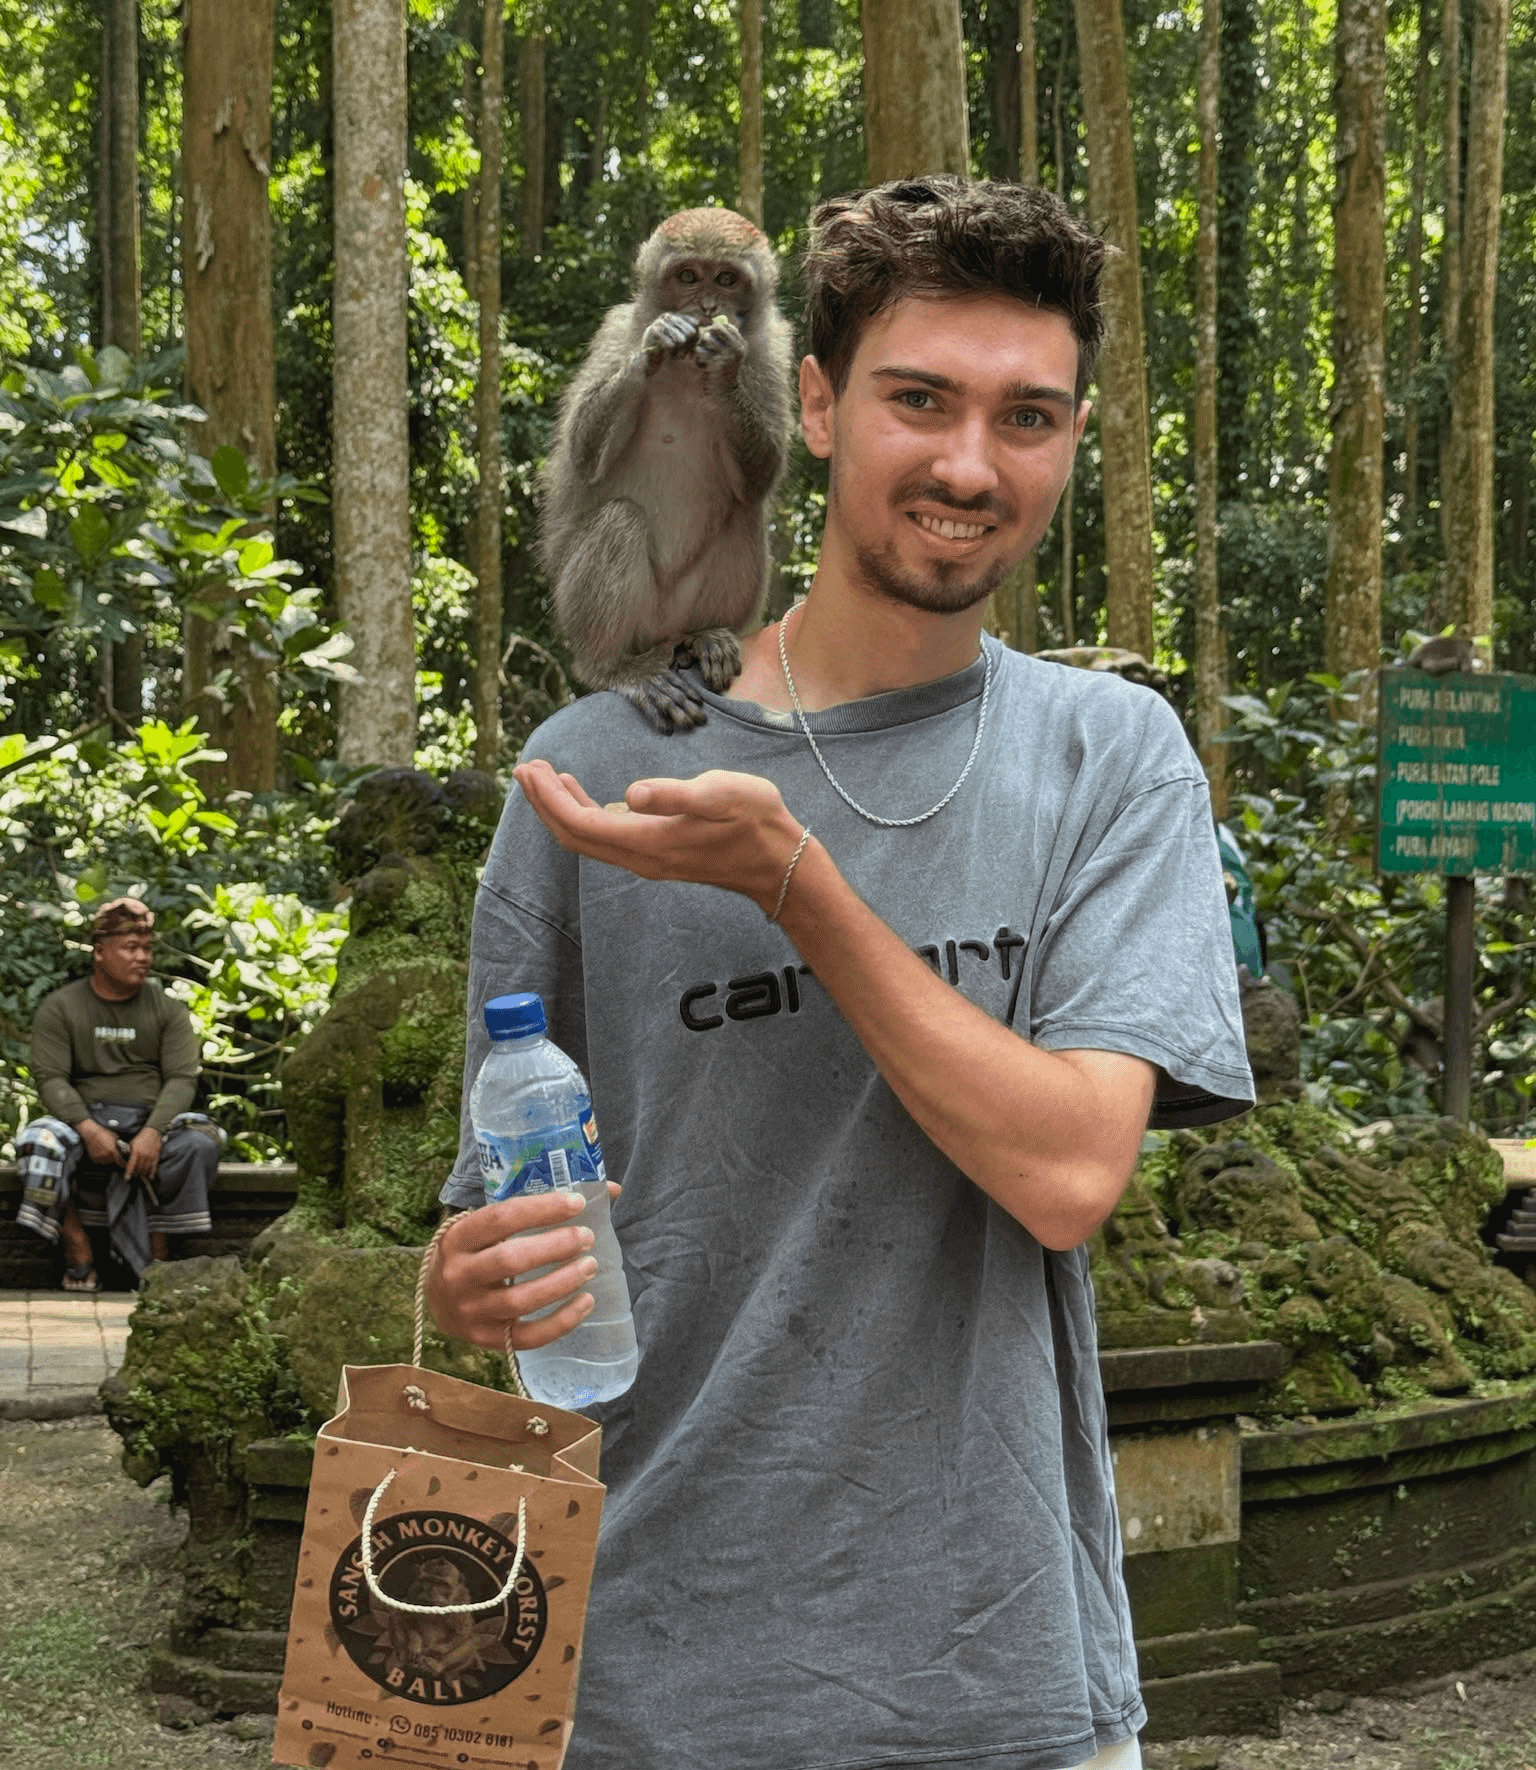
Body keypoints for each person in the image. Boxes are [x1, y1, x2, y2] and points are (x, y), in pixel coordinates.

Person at [428, 177, 1254, 1770]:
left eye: (1027, 415)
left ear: (1074, 439)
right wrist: (468, 1278)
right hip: (645, 1687)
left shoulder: (1106, 756)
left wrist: (795, 882)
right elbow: (512, 1224)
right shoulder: (592, 776)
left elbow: (1071, 1167)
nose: (967, 462)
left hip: (997, 1691)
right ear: (812, 405)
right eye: (918, 401)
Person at [16, 897, 219, 1290]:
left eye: (147, 948)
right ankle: (76, 1246)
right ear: (100, 952)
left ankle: (156, 1256)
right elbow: (51, 1078)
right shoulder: (61, 1007)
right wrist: (87, 1128)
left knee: (201, 1142)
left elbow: (181, 1078)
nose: (142, 957)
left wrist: (154, 1132)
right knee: (37, 1142)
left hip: (148, 1118)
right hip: (84, 1119)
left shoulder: (168, 1010)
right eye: (131, 948)